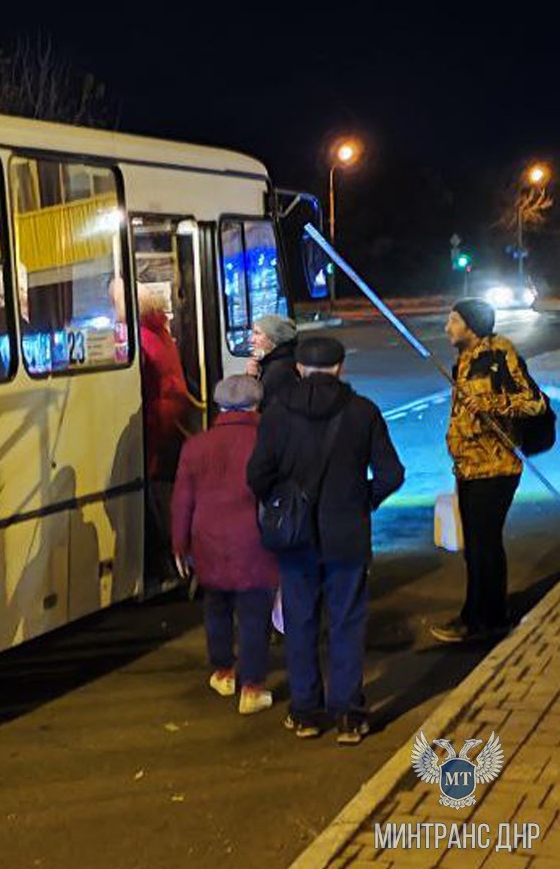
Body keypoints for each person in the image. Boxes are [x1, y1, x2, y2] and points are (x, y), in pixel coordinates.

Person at [247, 336, 404, 744]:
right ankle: (349, 715)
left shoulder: (278, 414)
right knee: (347, 622)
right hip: (347, 535)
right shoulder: (363, 412)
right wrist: (362, 499)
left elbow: (257, 475)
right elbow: (391, 474)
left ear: (299, 369)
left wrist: (281, 501)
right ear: (341, 367)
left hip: (296, 539)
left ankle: (306, 712)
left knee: (299, 622)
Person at [431, 299, 546, 643]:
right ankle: (476, 615)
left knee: (485, 547)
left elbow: (534, 402)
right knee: (477, 547)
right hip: (470, 467)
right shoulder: (463, 360)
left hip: (495, 468)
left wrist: (490, 403)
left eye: (453, 321)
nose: (447, 328)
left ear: (471, 325)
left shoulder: (498, 355)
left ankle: (488, 621)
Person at [172, 374, 278, 715]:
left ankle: (223, 670)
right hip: (254, 540)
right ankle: (252, 687)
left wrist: (179, 543)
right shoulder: (266, 442)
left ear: (219, 406)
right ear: (255, 404)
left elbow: (182, 501)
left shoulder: (195, 446)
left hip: (208, 540)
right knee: (253, 613)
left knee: (216, 607)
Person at [139, 288, 193, 583]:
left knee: (157, 493)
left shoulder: (142, 339)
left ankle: (171, 561)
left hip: (157, 425)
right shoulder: (160, 332)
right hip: (171, 421)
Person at [246, 314, 299, 408]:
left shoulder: (278, 370)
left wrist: (251, 378)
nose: (251, 340)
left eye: (257, 333)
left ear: (274, 338)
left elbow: (255, 406)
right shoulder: (274, 362)